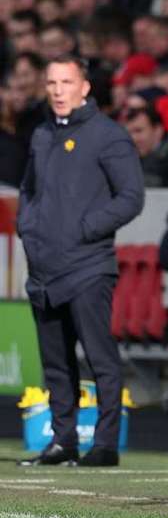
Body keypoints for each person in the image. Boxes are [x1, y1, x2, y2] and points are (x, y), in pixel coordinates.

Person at [16, 54, 144, 467]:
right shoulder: (41, 134)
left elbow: (131, 197)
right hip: (44, 268)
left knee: (99, 355)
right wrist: (29, 228)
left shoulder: (109, 136)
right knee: (55, 362)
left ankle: (105, 445)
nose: (57, 91)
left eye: (66, 82)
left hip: (88, 265)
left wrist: (85, 229)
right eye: (52, 83)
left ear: (85, 87)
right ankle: (62, 440)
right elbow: (30, 192)